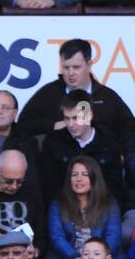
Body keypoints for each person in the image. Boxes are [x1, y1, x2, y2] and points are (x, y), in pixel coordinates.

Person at [19, 38, 135, 143]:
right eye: (66, 67)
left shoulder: (107, 96)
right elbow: (23, 124)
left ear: (89, 65)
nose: (71, 73)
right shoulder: (49, 93)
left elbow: (130, 130)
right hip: (60, 160)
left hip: (101, 161)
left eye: (76, 67)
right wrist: (53, 125)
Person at [39, 90, 129, 219]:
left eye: (76, 118)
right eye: (67, 118)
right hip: (65, 214)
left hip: (102, 213)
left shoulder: (109, 141)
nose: (70, 124)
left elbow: (115, 188)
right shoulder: (53, 142)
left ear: (89, 115)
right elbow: (49, 189)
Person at [46, 155, 121, 259]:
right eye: (74, 175)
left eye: (85, 174)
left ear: (94, 178)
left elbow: (113, 235)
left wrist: (99, 258)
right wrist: (75, 258)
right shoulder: (58, 204)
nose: (78, 179)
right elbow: (57, 237)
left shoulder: (109, 203)